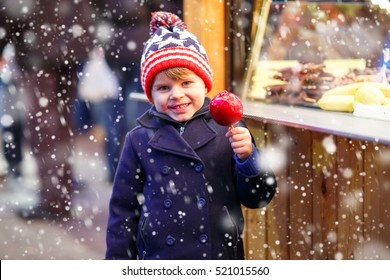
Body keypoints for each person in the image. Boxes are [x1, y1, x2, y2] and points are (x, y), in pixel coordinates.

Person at [105, 11, 277, 260]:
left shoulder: (228, 130)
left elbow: (259, 198)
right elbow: (123, 212)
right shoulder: (138, 139)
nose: (176, 95)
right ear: (151, 95)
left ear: (204, 84)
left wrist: (248, 158)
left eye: (186, 83)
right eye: (164, 87)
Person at [0, 0, 97, 221]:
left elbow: (13, 10)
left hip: (40, 52)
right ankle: (60, 194)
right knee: (60, 126)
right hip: (67, 48)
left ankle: (54, 200)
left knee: (45, 130)